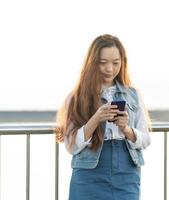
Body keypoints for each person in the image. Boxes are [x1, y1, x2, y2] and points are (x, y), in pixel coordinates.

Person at [55, 34, 151, 200]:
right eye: (103, 62)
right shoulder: (76, 97)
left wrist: (126, 129)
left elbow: (145, 139)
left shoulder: (133, 95)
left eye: (116, 63)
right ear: (92, 63)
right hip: (89, 176)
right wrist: (95, 120)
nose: (110, 69)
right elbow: (71, 146)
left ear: (123, 62)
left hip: (126, 175)